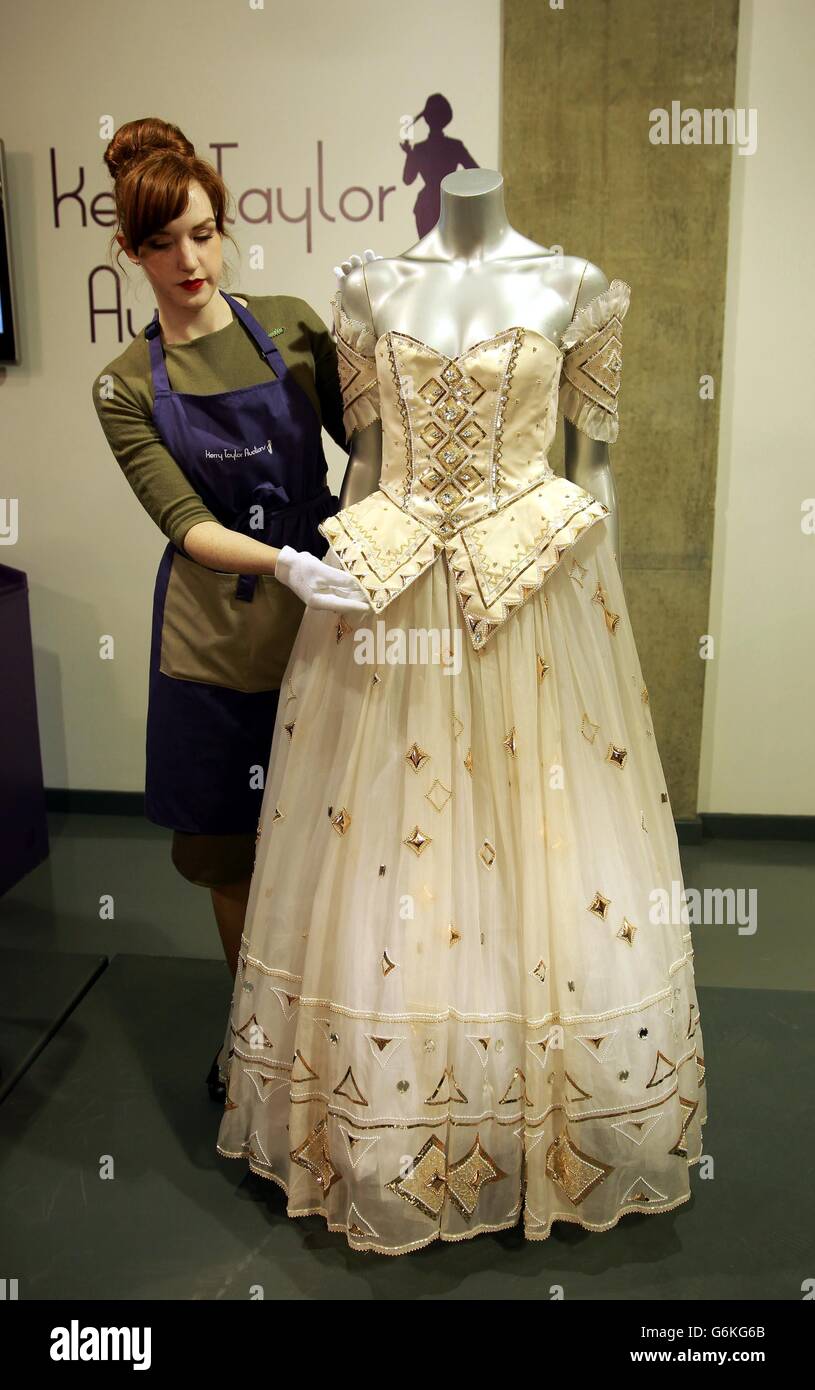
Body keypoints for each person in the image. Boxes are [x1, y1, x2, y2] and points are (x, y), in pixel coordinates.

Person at [91, 118, 369, 1098]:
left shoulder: (291, 326)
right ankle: (258, 1040)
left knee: (345, 842)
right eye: (161, 242)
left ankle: (347, 1037)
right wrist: (288, 563)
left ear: (222, 228)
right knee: (233, 858)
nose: (187, 259)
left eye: (202, 233)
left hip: (333, 622)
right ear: (129, 251)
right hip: (218, 642)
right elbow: (185, 523)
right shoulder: (125, 385)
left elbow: (372, 443)